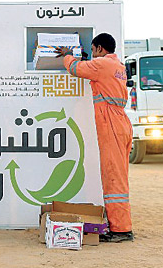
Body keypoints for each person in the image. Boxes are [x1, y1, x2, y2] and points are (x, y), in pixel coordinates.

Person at [55, 33, 134, 242]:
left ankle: (121, 230)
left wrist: (67, 55)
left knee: (112, 176)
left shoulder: (101, 65)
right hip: (122, 121)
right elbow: (93, 68)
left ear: (99, 48)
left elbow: (75, 69)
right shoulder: (117, 66)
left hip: (111, 123)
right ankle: (120, 224)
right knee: (119, 175)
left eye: (93, 49)